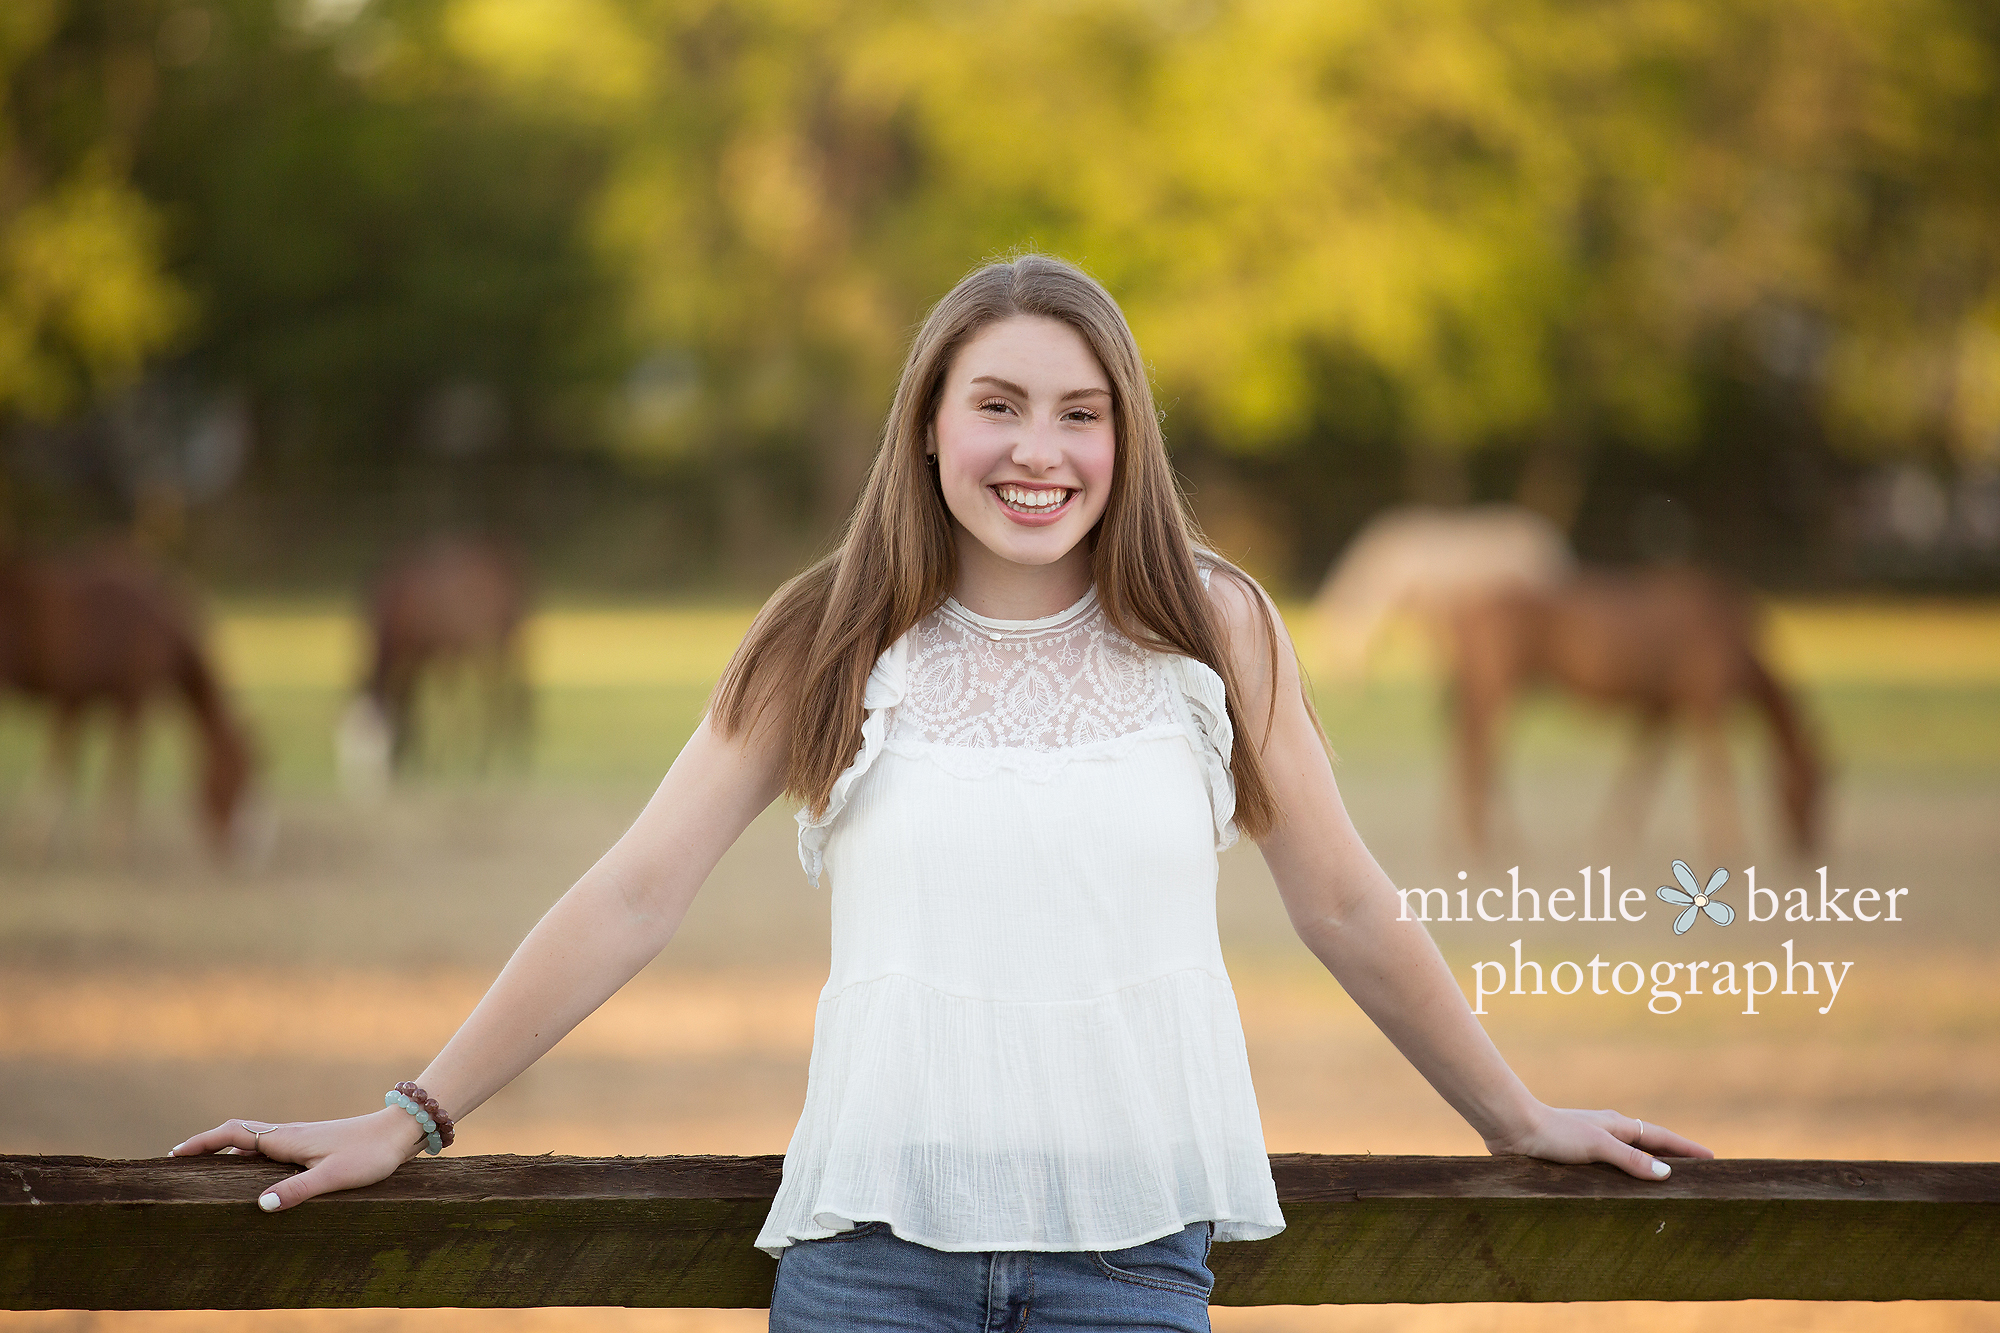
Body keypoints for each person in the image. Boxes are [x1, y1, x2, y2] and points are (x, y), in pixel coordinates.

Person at [171, 255, 1710, 1329]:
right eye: (999, 403)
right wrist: (411, 1111)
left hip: (1130, 1270)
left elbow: (1350, 902)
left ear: (1127, 434)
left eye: (1080, 410)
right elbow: (633, 891)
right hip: (869, 1274)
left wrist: (1518, 1112)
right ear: (927, 419)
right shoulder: (826, 634)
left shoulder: (1215, 627)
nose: (1039, 450)